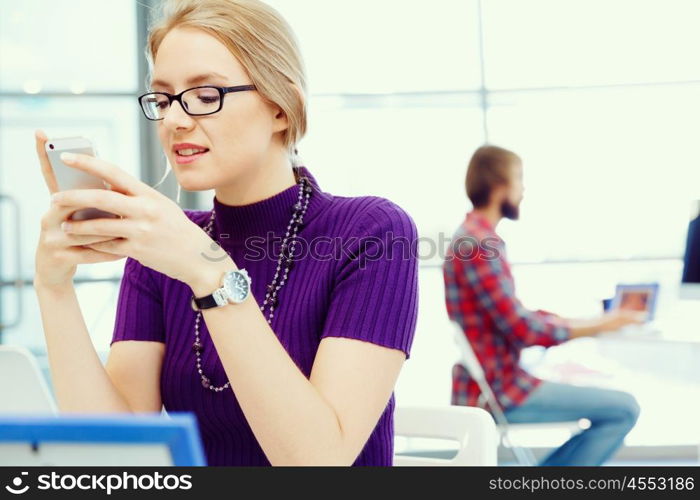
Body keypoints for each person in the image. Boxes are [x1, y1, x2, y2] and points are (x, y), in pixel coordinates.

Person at [33, 0, 418, 466]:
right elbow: (118, 457)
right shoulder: (166, 251)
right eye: (163, 98)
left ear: (282, 107)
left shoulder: (372, 234)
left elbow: (319, 462)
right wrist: (54, 289)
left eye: (205, 95)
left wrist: (209, 272)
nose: (175, 120)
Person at [444, 145, 643, 466]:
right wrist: (601, 324)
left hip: (496, 381)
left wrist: (582, 321)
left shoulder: (473, 237)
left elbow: (511, 317)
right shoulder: (479, 244)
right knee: (624, 409)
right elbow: (523, 330)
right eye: (518, 179)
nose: (523, 190)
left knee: (617, 405)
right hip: (501, 390)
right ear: (499, 186)